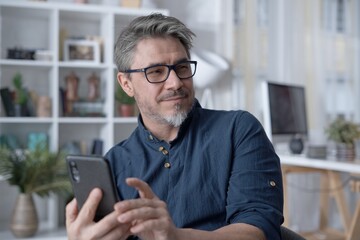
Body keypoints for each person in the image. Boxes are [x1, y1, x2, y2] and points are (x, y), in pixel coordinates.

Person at [66, 13, 284, 240]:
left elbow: (257, 232)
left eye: (182, 68)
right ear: (126, 84)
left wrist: (175, 237)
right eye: (156, 72)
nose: (176, 83)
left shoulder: (238, 131)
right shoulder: (114, 163)